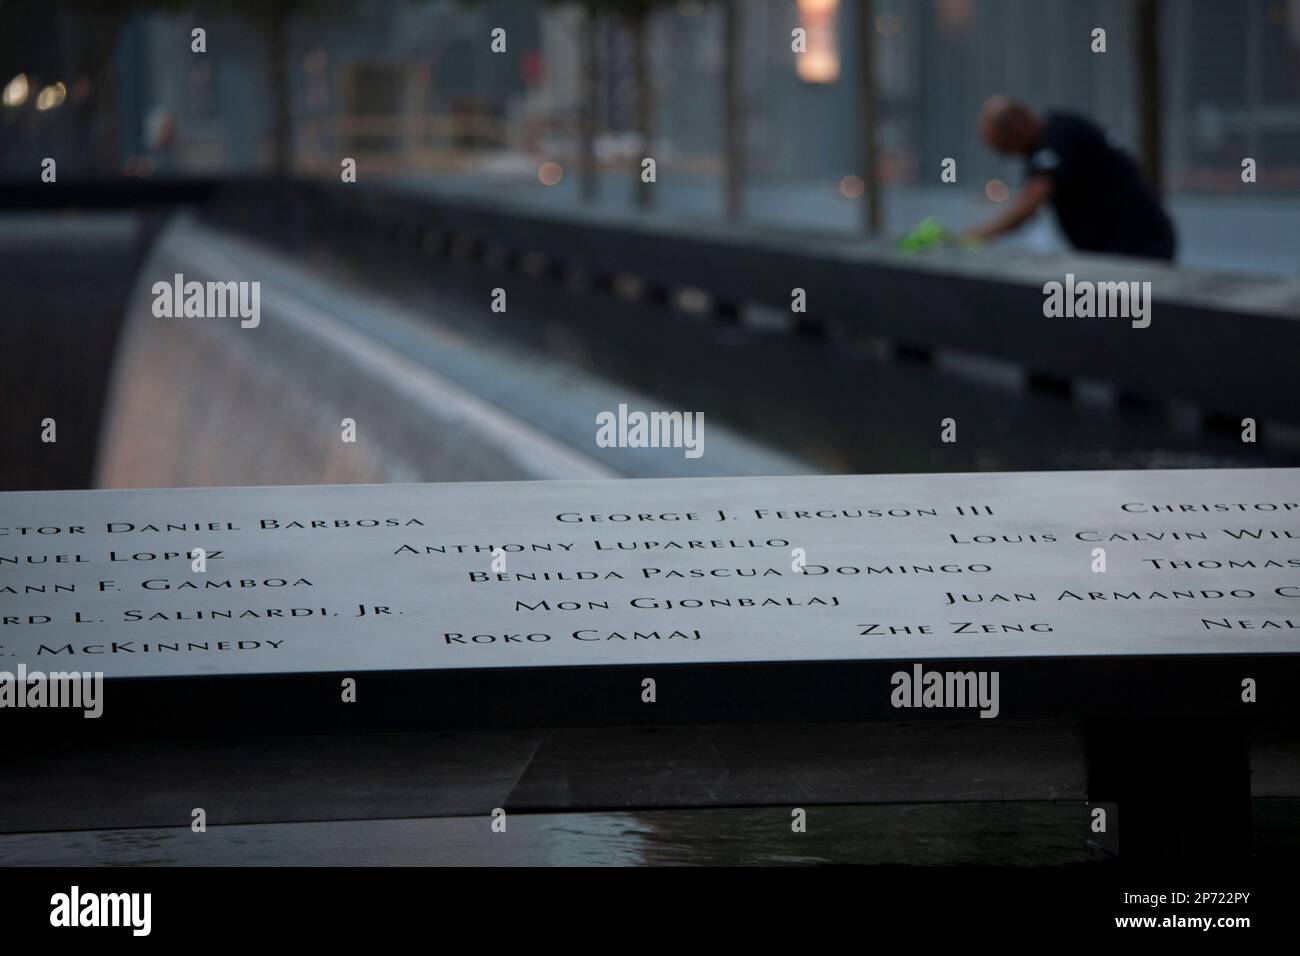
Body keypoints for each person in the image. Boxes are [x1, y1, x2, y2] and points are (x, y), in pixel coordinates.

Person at [964, 95, 1176, 261]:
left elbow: (1028, 206)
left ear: (1016, 127)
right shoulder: (1048, 142)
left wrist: (972, 237)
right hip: (1118, 251)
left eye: (1003, 147)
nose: (1006, 155)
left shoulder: (1057, 138)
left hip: (1138, 248)